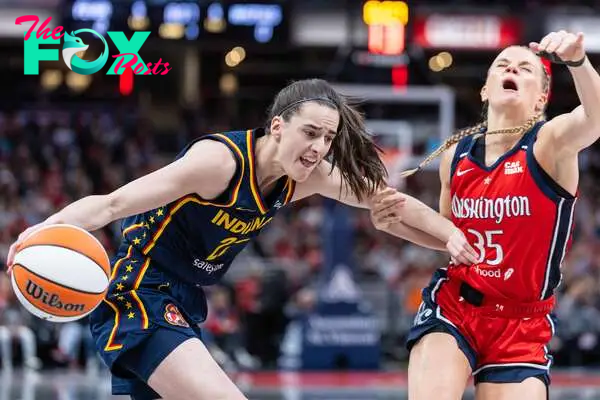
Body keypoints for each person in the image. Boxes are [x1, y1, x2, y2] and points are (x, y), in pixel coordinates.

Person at [6, 78, 476, 400]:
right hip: (138, 292)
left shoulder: (307, 176)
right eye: (310, 133)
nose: (319, 148)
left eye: (328, 139)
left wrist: (451, 237)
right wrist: (41, 232)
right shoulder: (218, 163)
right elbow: (110, 204)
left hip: (186, 300)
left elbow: (388, 203)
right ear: (277, 126)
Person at [371, 31, 600, 399]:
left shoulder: (550, 143)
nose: (512, 68)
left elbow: (595, 118)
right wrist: (395, 225)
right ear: (485, 89)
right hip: (456, 307)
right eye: (502, 65)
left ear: (542, 97)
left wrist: (578, 61)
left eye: (526, 68)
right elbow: (450, 239)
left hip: (522, 322)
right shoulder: (456, 155)